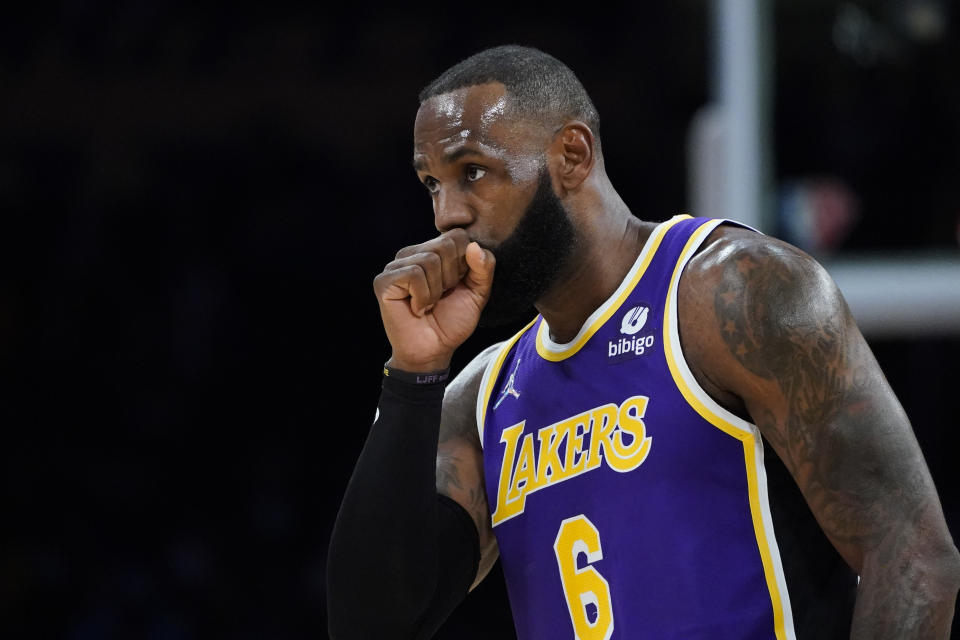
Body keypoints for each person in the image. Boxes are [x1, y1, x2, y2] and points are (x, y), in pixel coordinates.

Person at [326, 45, 960, 639]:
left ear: (571, 155)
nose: (447, 215)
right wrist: (412, 374)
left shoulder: (732, 292)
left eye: (472, 172)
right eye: (433, 185)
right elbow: (371, 625)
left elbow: (910, 554)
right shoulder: (486, 396)